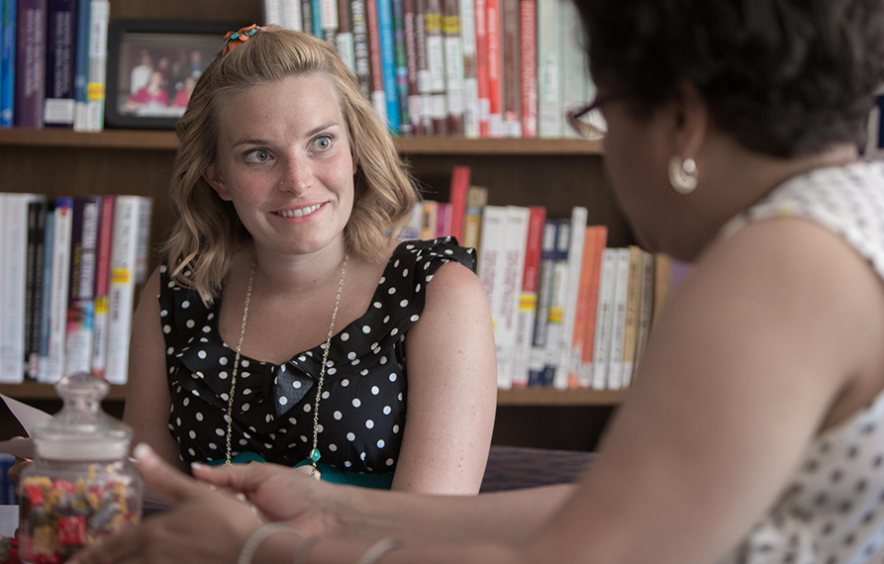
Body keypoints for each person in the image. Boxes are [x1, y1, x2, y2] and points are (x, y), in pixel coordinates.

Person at [70, 0, 884, 563]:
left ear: (683, 121)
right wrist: (345, 507)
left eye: (601, 109)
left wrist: (255, 549)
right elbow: (613, 512)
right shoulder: (847, 218)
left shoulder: (778, 268)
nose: (603, 144)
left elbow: (584, 554)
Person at [10, 26, 497, 495]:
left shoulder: (435, 291)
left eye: (321, 143)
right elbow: (151, 500)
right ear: (217, 177)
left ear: (354, 151)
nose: (298, 180)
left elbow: (428, 534)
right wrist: (83, 484)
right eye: (259, 155)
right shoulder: (177, 292)